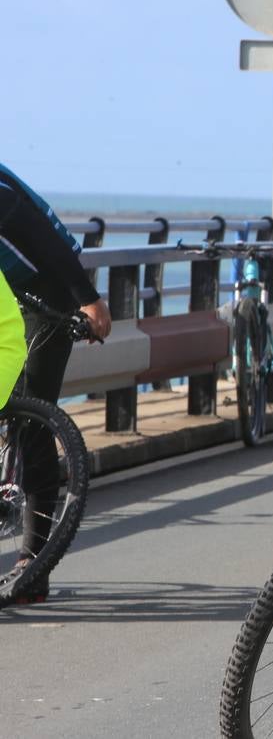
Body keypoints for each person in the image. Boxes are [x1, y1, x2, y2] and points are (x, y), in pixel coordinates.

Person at [0, 164, 113, 604]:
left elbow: (43, 241)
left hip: (43, 289)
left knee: (31, 416)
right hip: (5, 290)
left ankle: (33, 561)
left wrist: (89, 300)